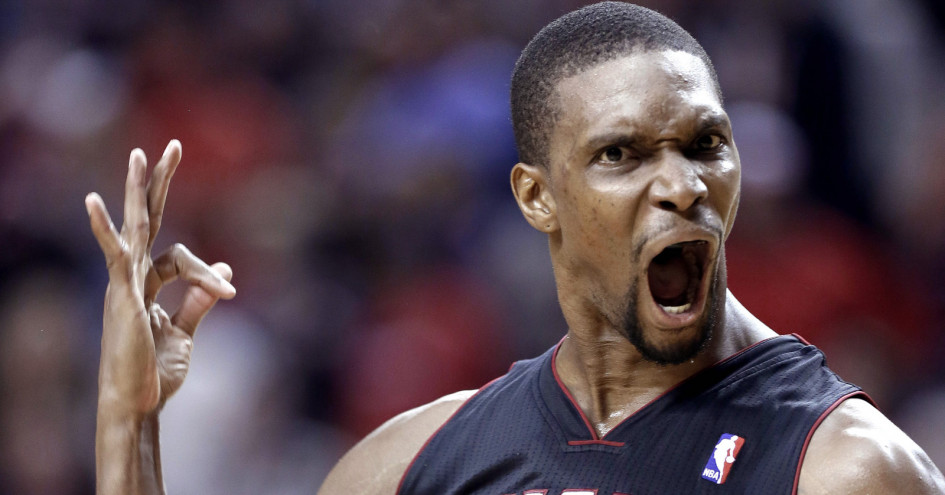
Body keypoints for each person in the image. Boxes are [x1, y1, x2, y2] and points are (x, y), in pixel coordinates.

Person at [87, 2, 945, 494]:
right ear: (537, 197)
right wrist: (129, 421)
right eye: (622, 154)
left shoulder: (841, 468)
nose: (682, 184)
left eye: (704, 144)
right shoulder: (418, 459)